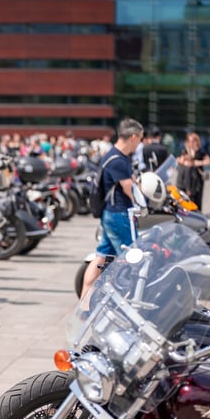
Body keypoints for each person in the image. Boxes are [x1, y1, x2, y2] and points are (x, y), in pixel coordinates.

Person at [79, 118, 144, 298]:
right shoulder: (118, 160)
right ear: (133, 137)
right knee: (132, 256)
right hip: (119, 214)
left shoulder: (113, 156)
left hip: (110, 213)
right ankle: (127, 297)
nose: (139, 143)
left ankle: (85, 300)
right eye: (140, 139)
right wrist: (143, 202)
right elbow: (128, 187)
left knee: (101, 257)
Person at [176, 132, 210, 209]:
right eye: (190, 141)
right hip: (187, 178)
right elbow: (180, 160)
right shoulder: (185, 151)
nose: (191, 143)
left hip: (197, 179)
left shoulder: (200, 152)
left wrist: (198, 163)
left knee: (197, 199)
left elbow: (208, 161)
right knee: (186, 199)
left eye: (193, 141)